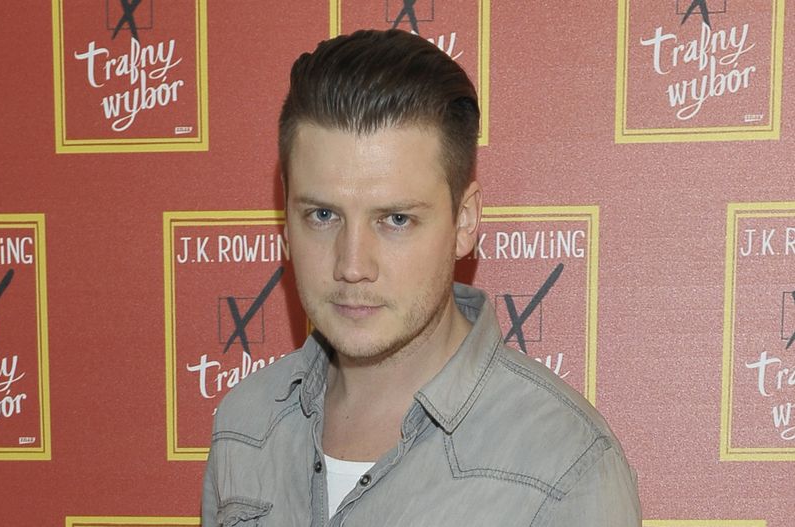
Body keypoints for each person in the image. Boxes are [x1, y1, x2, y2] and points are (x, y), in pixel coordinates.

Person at [201, 29, 641, 526]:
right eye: (323, 215)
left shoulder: (565, 468)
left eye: (396, 219)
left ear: (464, 222)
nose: (352, 265)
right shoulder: (245, 425)